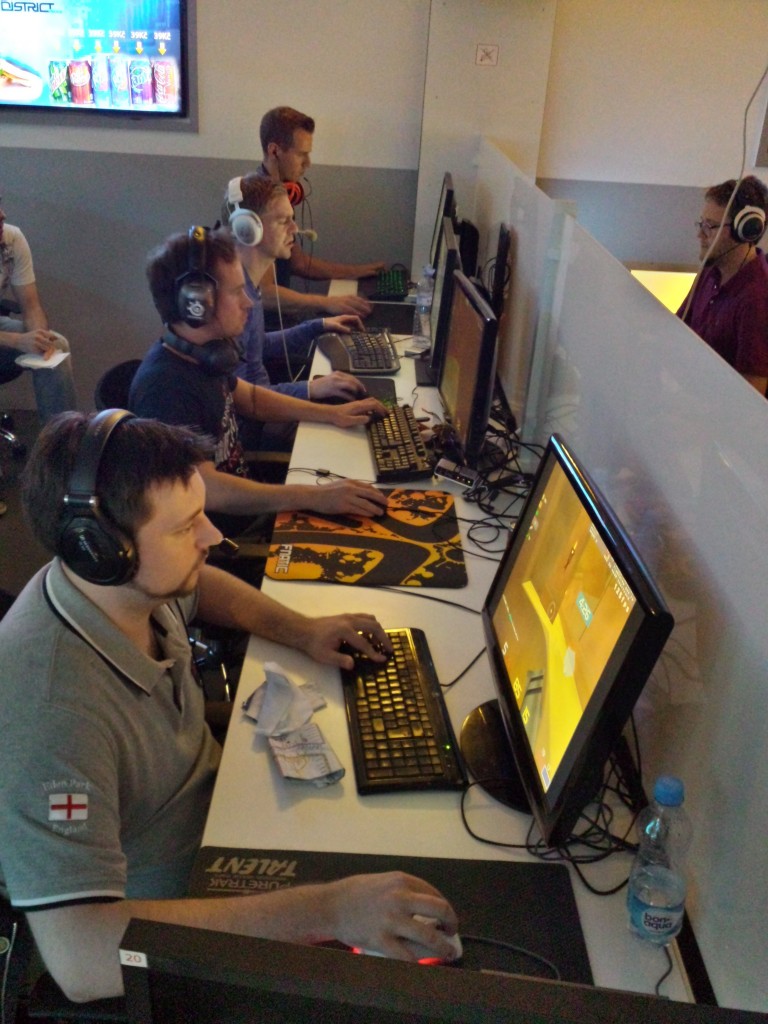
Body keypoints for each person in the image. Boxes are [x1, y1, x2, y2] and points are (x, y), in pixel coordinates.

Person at [0, 411, 460, 1003]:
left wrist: (301, 629)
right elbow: (81, 960)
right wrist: (327, 910)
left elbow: (199, 589)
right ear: (101, 551)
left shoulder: (120, 587)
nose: (212, 538)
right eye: (184, 528)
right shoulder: (49, 715)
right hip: (179, 923)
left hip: (225, 820)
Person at [129, 225, 389, 521]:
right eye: (237, 292)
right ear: (196, 305)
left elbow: (251, 399)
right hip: (226, 533)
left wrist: (332, 414)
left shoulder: (205, 357)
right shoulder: (165, 388)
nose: (249, 302)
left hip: (252, 495)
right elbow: (206, 489)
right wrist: (313, 496)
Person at [223, 173, 372, 451]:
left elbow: (258, 345)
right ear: (247, 228)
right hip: (254, 434)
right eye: (283, 221)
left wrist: (318, 326)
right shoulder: (235, 300)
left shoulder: (249, 286)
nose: (295, 229)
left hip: (267, 414)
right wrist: (311, 389)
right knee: (355, 440)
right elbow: (249, 400)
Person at [257, 105, 387, 323]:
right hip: (269, 331)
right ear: (274, 151)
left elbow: (298, 263)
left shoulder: (281, 194)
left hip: (283, 322)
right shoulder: (258, 204)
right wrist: (327, 302)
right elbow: (265, 293)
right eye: (301, 154)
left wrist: (357, 272)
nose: (308, 163)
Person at [677, 175, 768, 395]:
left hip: (716, 411)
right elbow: (677, 330)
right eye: (701, 224)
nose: (700, 234)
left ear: (745, 230)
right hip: (690, 396)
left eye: (710, 226)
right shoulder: (709, 272)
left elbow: (752, 394)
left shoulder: (757, 297)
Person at [0, 195, 78, 422]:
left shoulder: (11, 240)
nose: (3, 215)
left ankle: (61, 435)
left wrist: (39, 338)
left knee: (55, 344)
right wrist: (17, 340)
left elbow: (31, 306)